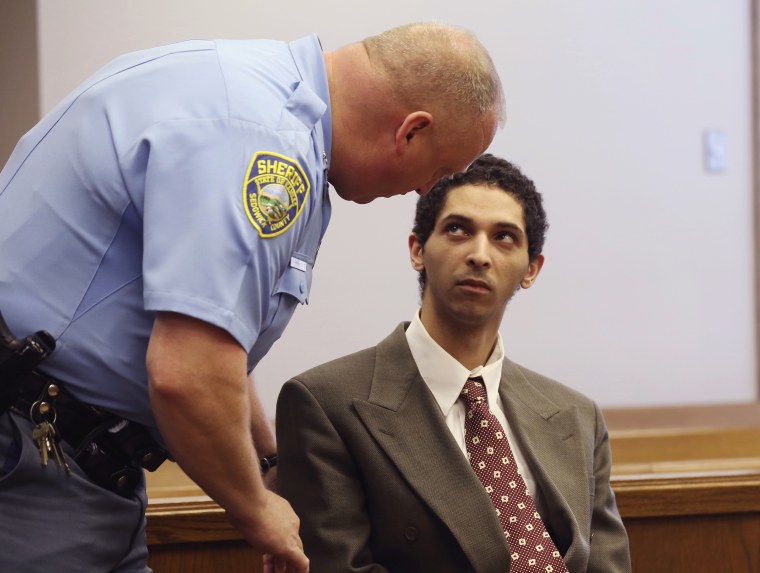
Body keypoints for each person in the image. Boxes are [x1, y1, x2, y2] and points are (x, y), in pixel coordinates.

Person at [0, 22, 504, 573]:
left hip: (70, 460)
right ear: (411, 130)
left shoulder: (254, 94)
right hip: (35, 464)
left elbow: (215, 340)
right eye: (441, 170)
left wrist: (268, 462)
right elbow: (187, 373)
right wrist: (257, 509)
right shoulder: (267, 147)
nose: (426, 190)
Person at [277, 154, 631, 573]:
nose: (479, 254)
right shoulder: (326, 403)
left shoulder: (577, 415)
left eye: (504, 237)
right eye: (458, 229)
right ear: (417, 250)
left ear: (531, 269)